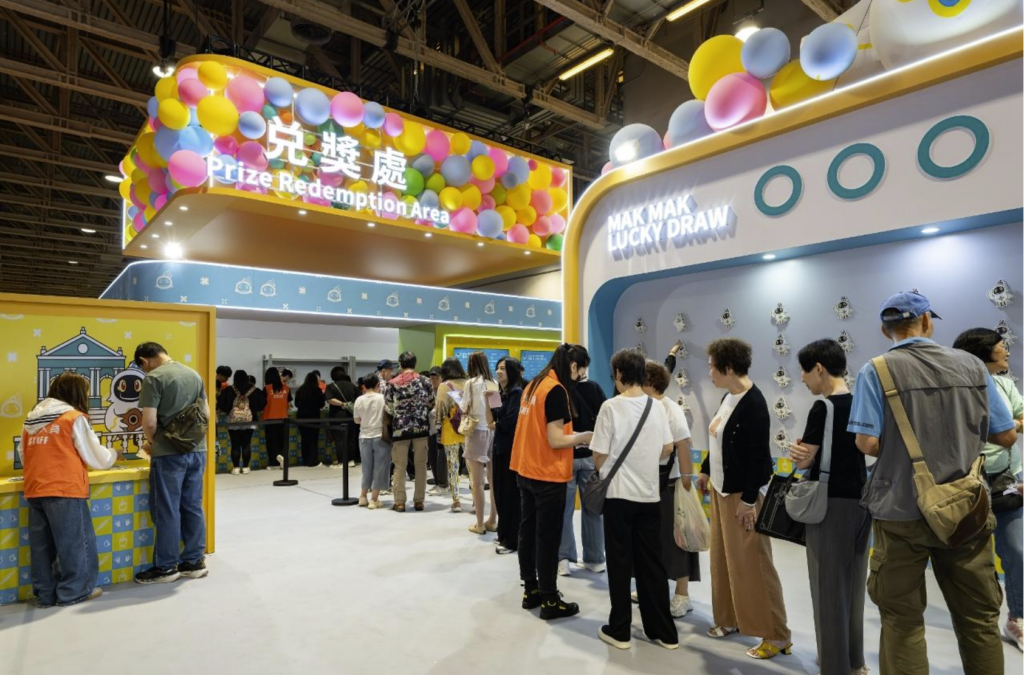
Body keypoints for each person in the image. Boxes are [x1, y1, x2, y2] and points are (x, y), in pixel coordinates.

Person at [849, 291, 1017, 675]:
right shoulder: (973, 367)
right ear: (927, 322)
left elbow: (866, 443)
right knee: (978, 619)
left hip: (900, 509)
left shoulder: (876, 370)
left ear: (885, 330)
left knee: (902, 620)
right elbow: (1006, 435)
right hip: (966, 510)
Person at [695, 337, 791, 659]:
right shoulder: (729, 397)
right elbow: (718, 439)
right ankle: (729, 617)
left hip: (742, 495)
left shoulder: (754, 403)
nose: (709, 372)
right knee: (723, 560)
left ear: (728, 368)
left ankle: (777, 635)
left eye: (712, 367)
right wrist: (705, 470)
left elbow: (759, 458)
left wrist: (749, 501)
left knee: (755, 565)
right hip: (720, 490)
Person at [788, 339, 870, 675]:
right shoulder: (863, 401)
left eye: (805, 372)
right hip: (862, 502)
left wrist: (799, 455)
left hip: (829, 504)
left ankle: (834, 666)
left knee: (827, 587)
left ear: (819, 368)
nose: (803, 379)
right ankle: (855, 660)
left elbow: (804, 459)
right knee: (853, 585)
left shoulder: (823, 407)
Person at [592, 350, 678, 650]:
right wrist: (644, 459)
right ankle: (663, 632)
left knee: (619, 563)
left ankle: (620, 631)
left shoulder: (610, 407)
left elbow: (599, 454)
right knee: (652, 563)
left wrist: (613, 467)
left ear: (618, 373)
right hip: (650, 495)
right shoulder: (657, 406)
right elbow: (668, 447)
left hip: (618, 496)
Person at [20, 372, 118, 607]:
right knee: (75, 544)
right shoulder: (73, 418)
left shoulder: (30, 420)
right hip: (65, 487)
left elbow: (24, 455)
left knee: (42, 546)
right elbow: (97, 457)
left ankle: (45, 594)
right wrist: (114, 454)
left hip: (34, 487)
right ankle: (75, 591)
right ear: (76, 393)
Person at [953, 327, 1024, 651]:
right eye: (1001, 346)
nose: (1007, 351)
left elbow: (1018, 420)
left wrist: (1011, 425)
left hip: (1010, 481)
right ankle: (975, 618)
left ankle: (1017, 618)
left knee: (1017, 553)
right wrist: (1009, 427)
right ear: (983, 352)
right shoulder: (957, 389)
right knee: (969, 558)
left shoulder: (1005, 384)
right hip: (968, 484)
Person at [511, 344, 594, 620]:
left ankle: (531, 590)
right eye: (580, 371)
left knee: (527, 532)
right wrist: (584, 436)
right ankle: (549, 599)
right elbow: (556, 439)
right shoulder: (556, 390)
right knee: (547, 538)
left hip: (525, 469)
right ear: (573, 366)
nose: (580, 377)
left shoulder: (534, 385)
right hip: (547, 474)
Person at [134, 342, 210, 584]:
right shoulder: (194, 374)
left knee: (167, 509)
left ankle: (166, 567)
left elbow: (149, 422)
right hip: (198, 449)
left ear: (144, 361)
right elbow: (206, 414)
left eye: (143, 367)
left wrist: (153, 443)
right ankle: (194, 562)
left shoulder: (154, 378)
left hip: (168, 454)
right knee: (193, 505)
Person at [639, 359, 700, 619]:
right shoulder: (643, 405)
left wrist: (685, 481)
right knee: (652, 539)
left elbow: (683, 444)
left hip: (672, 483)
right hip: (648, 482)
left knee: (678, 540)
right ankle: (655, 587)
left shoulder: (670, 408)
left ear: (650, 382)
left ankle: (682, 595)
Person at [559, 349, 607, 577]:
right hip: (590, 456)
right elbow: (605, 422)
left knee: (564, 510)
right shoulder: (594, 388)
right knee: (593, 509)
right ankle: (595, 558)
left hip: (564, 457)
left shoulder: (558, 390)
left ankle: (563, 559)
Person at [385, 351, 434, 513]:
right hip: (421, 428)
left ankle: (399, 502)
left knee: (400, 465)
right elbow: (431, 402)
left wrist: (400, 414)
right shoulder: (425, 381)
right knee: (421, 465)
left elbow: (388, 407)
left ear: (400, 364)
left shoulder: (392, 383)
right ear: (415, 364)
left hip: (400, 429)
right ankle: (419, 501)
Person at [461, 352, 500, 535]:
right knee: (493, 481)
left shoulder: (470, 383)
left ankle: (479, 524)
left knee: (477, 482)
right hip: (492, 431)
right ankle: (492, 519)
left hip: (476, 431)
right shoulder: (493, 382)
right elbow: (497, 407)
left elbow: (464, 407)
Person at [493, 357, 524, 555]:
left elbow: (510, 420)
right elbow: (495, 415)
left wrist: (496, 424)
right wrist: (488, 401)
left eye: (503, 368)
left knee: (510, 495)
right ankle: (503, 533)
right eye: (497, 368)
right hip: (499, 448)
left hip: (510, 450)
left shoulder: (516, 392)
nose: (498, 371)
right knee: (500, 493)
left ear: (511, 371)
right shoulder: (501, 393)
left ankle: (511, 540)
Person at [216, 369, 266, 474]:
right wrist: (254, 410)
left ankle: (236, 468)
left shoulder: (229, 390)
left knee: (235, 445)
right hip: (249, 421)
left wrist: (228, 410)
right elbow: (263, 403)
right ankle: (246, 467)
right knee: (247, 444)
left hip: (233, 421)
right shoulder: (255, 390)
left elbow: (221, 404)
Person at [436, 358, 468, 512]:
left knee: (453, 465)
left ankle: (456, 501)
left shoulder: (444, 386)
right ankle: (476, 500)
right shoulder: (468, 383)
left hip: (450, 429)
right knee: (472, 466)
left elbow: (440, 409)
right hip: (468, 429)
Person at [354, 375, 390, 509]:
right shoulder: (382, 398)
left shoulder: (359, 399)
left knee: (366, 468)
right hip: (380, 436)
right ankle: (374, 499)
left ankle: (363, 496)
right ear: (377, 385)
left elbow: (356, 420)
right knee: (380, 468)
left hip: (364, 436)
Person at [326, 366, 358, 469]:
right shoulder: (352, 385)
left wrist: (342, 404)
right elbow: (359, 399)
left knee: (339, 440)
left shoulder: (331, 386)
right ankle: (351, 460)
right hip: (351, 416)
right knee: (351, 439)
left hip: (337, 417)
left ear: (332, 375)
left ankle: (342, 461)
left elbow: (330, 399)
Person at [295, 371, 327, 468]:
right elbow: (321, 404)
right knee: (313, 439)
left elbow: (296, 404)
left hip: (301, 417)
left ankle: (305, 460)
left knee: (304, 439)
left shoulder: (300, 389)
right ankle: (312, 461)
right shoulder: (317, 390)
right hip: (314, 417)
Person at [262, 367, 291, 469]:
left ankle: (273, 463)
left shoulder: (266, 388)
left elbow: (262, 404)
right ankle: (283, 459)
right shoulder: (286, 388)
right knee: (283, 442)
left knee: (272, 442)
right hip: (284, 418)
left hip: (270, 419)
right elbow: (289, 404)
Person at [426, 366, 446, 492]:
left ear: (442, 378)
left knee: (441, 457)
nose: (433, 380)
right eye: (432, 378)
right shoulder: (428, 391)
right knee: (432, 456)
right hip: (431, 428)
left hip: (443, 429)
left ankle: (443, 484)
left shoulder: (445, 391)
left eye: (436, 378)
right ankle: (438, 482)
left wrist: (431, 411)